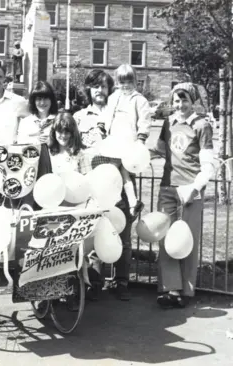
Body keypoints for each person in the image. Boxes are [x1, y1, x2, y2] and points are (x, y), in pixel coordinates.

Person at [151, 83, 214, 309]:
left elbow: (208, 167)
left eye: (184, 100)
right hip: (167, 188)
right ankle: (170, 289)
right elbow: (158, 149)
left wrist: (194, 189)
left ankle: (186, 290)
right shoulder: (167, 123)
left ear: (193, 100)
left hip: (190, 190)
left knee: (187, 240)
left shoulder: (202, 125)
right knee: (165, 238)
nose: (180, 105)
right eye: (176, 101)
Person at [102, 64, 152, 301]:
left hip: (128, 143)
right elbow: (106, 117)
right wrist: (102, 130)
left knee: (124, 171)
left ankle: (132, 202)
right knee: (114, 173)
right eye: (122, 81)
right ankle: (132, 201)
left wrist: (141, 139)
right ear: (117, 81)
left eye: (129, 81)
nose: (126, 85)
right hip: (113, 141)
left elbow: (144, 121)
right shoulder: (113, 98)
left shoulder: (139, 100)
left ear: (135, 80)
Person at [73, 69, 114, 149]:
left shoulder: (117, 115)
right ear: (89, 89)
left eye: (104, 86)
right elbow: (72, 146)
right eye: (96, 87)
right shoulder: (78, 117)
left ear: (109, 89)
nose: (100, 90)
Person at [17, 81, 58, 145]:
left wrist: (53, 141)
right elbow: (20, 143)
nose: (42, 102)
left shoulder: (59, 120)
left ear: (51, 100)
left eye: (46, 98)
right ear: (33, 101)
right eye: (39, 99)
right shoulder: (25, 122)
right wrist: (35, 141)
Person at [47, 112, 87, 176]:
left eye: (67, 132)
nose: (63, 135)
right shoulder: (48, 154)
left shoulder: (80, 154)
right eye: (60, 132)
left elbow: (87, 180)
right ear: (54, 132)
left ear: (73, 133)